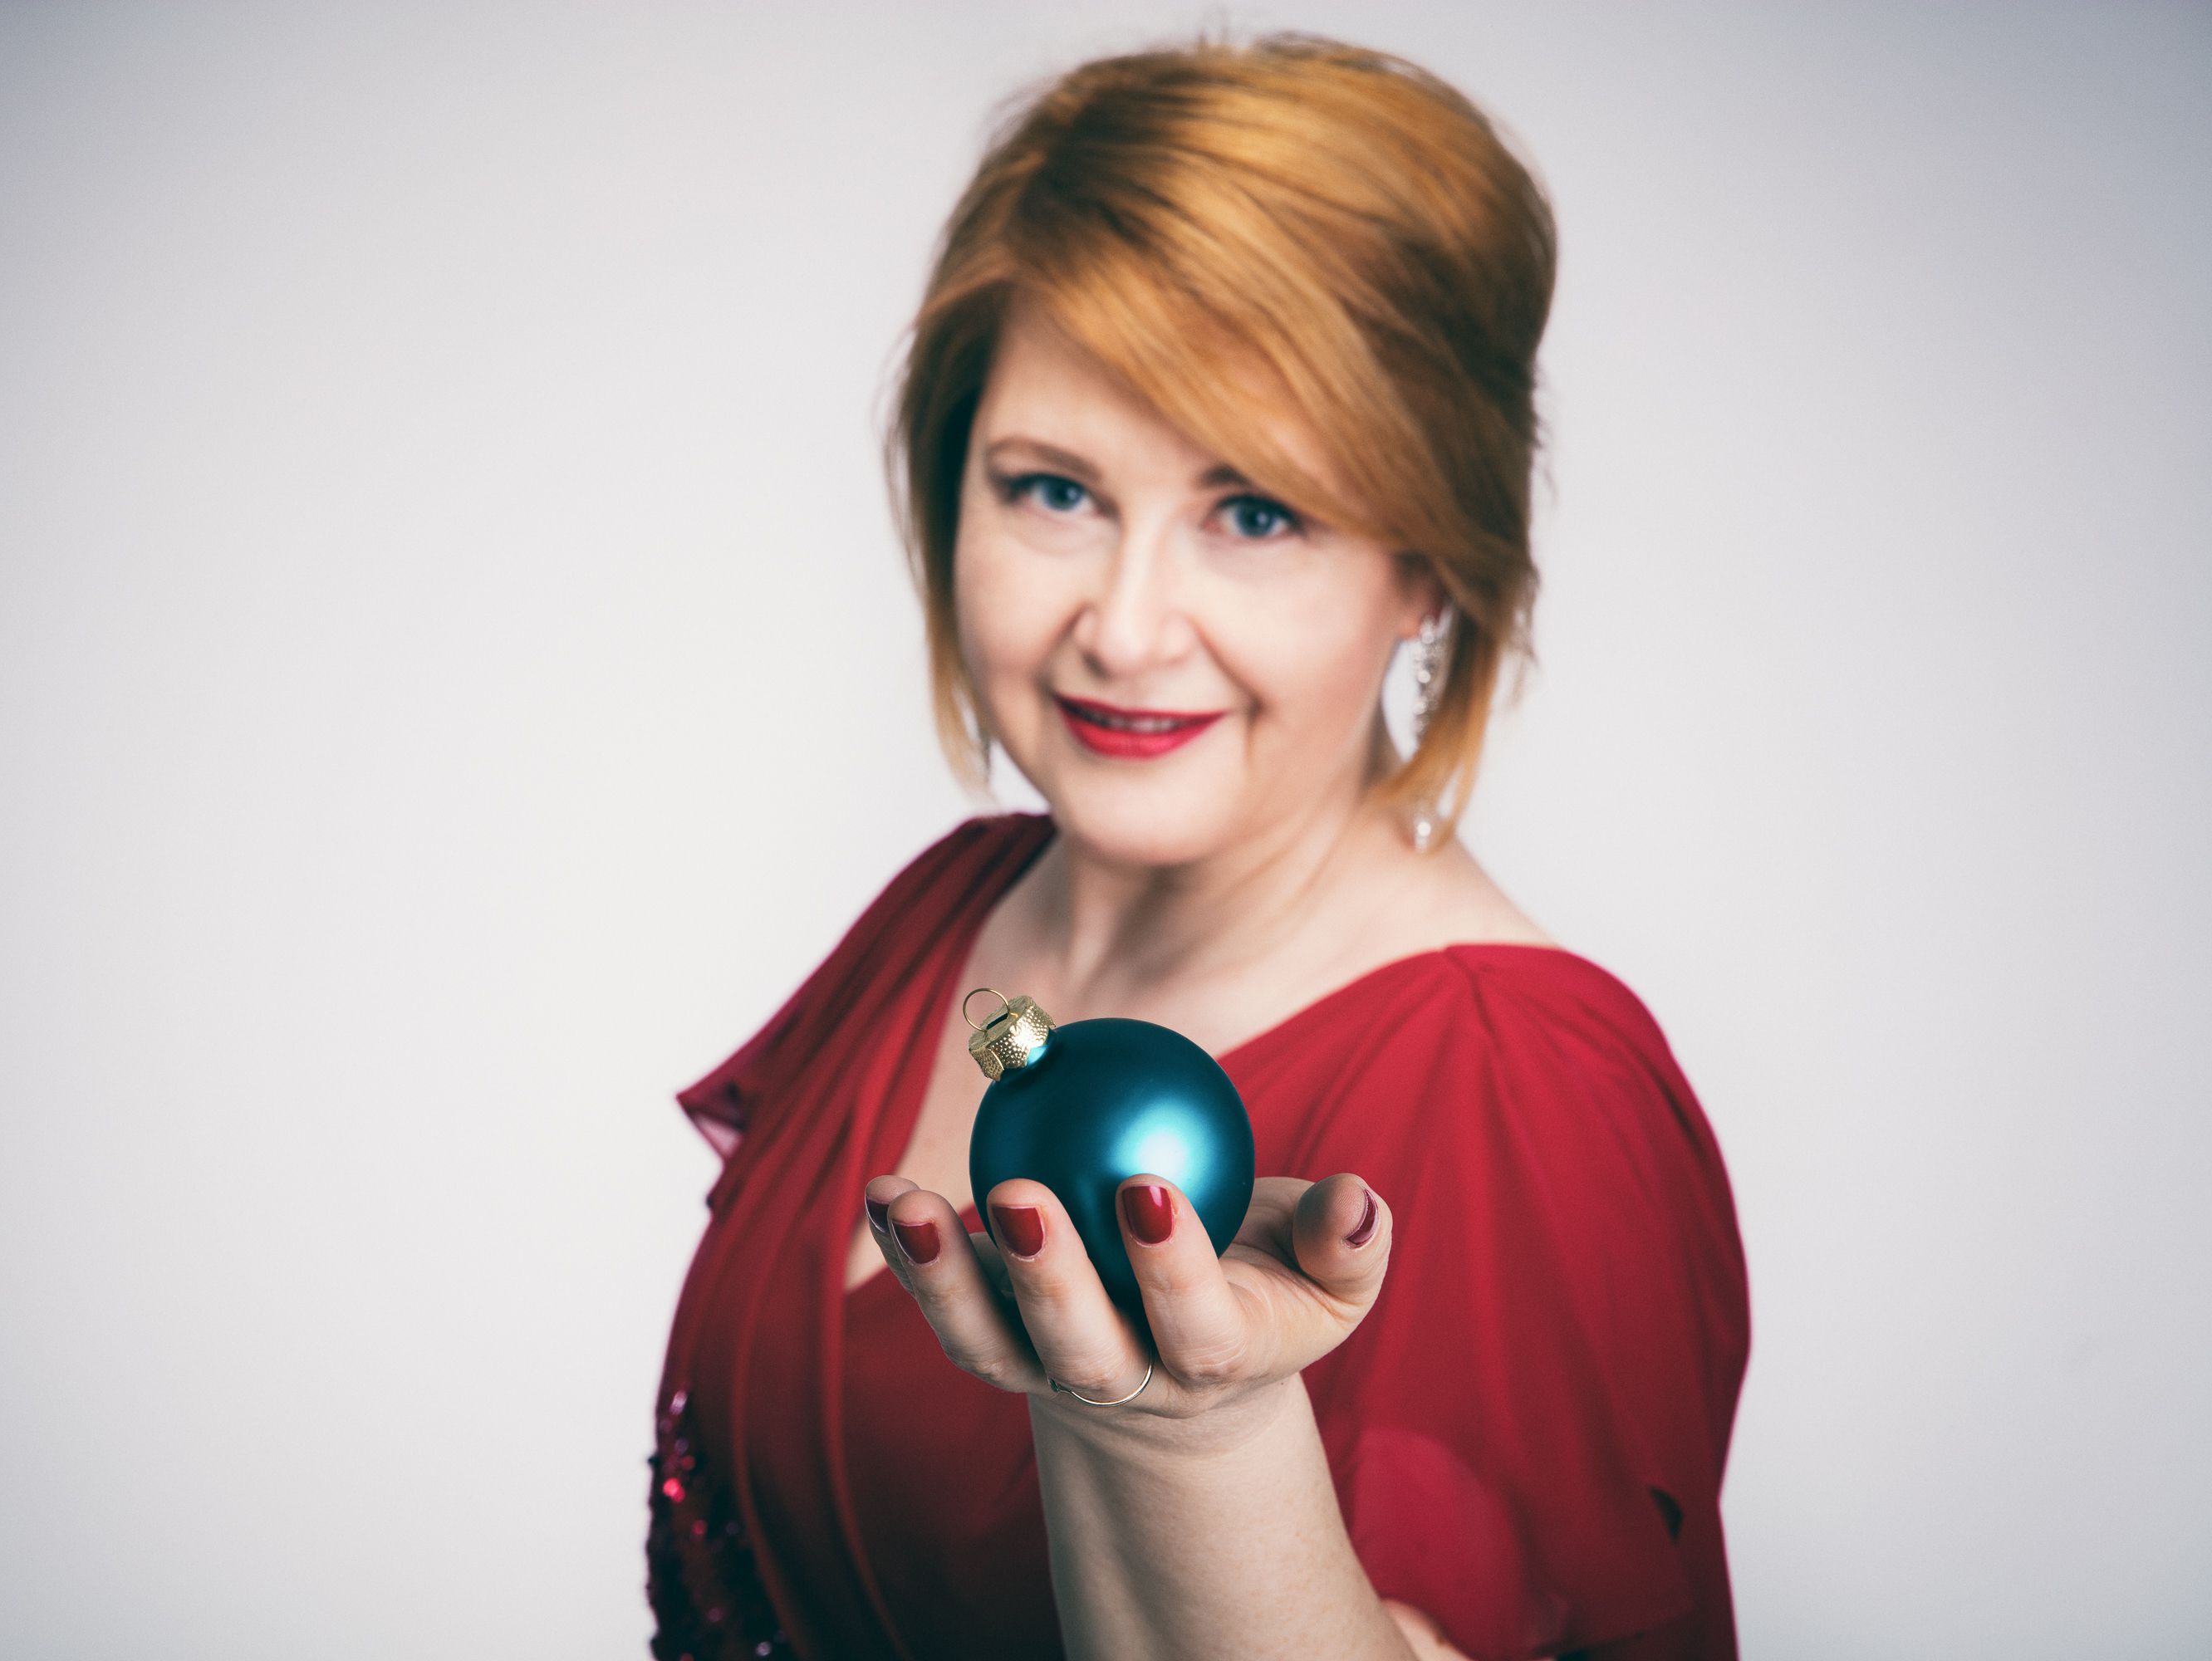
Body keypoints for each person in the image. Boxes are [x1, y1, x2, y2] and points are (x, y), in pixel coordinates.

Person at [648, 34, 1747, 1661]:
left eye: (1256, 512)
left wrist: (1190, 1441)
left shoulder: (1510, 1089)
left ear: (1429, 561)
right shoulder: (951, 911)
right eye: (1054, 491)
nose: (1127, 625)